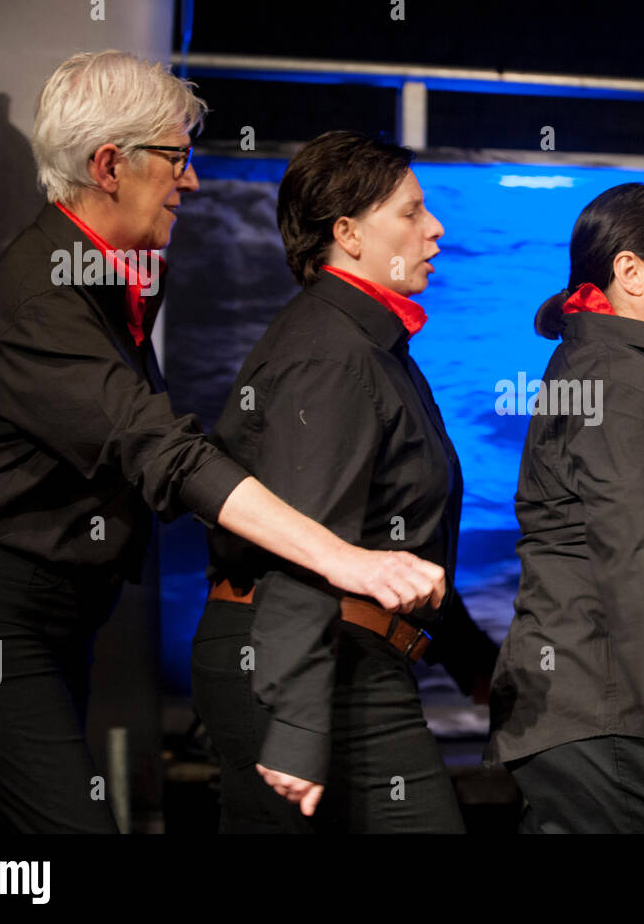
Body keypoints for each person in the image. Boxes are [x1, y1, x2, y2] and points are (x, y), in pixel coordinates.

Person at [0, 53, 443, 834]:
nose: (190, 180)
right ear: (109, 165)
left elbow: (1, 429)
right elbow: (163, 449)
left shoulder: (111, 272)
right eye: (176, 157)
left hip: (57, 595)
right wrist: (344, 558)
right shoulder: (40, 296)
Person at [192, 130, 497, 833]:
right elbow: (309, 539)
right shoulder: (332, 354)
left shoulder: (368, 345)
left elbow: (393, 535)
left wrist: (477, 669)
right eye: (412, 211)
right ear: (349, 233)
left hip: (332, 658)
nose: (435, 226)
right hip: (311, 664)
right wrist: (297, 723)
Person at [487, 182, 644, 833]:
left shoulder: (614, 364)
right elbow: (638, 547)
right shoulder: (617, 377)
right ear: (629, 271)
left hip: (594, 715)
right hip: (611, 716)